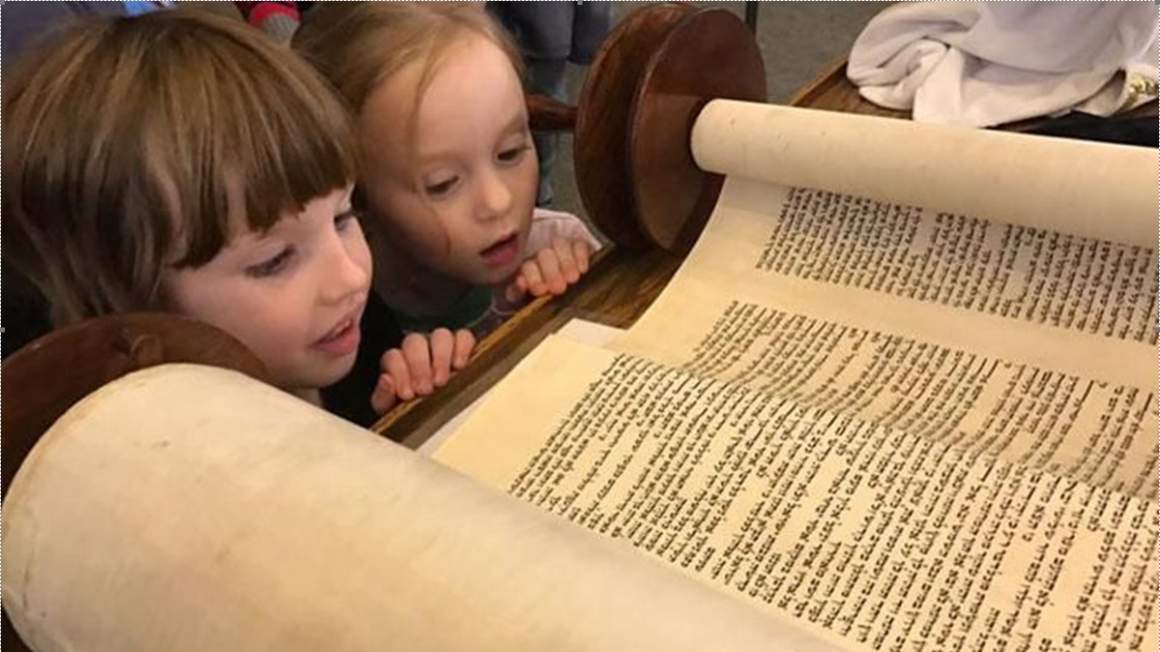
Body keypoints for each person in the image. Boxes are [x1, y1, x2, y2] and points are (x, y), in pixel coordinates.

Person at [2, 10, 447, 424]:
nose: (350, 277)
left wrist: (419, 398)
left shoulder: (355, 331)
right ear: (131, 302)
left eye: (343, 216)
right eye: (274, 260)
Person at [293, 2, 603, 413]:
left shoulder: (559, 244)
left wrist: (579, 308)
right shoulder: (338, 326)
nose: (498, 201)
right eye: (443, 184)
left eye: (510, 152)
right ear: (359, 196)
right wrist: (403, 414)